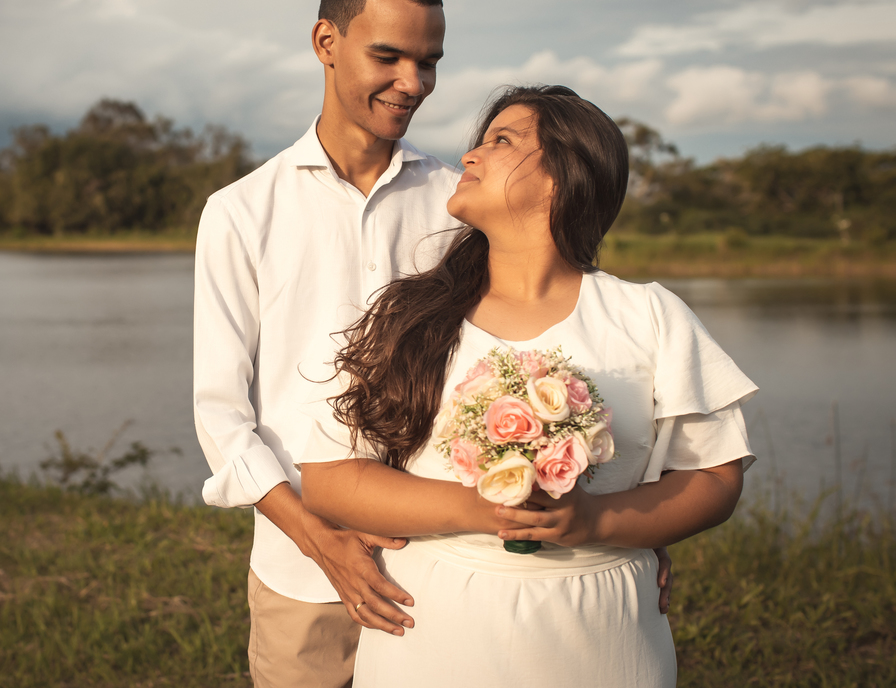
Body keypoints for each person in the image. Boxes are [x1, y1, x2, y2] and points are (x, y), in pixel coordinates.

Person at [300, 85, 757, 686]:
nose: (469, 156)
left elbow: (715, 477)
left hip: (601, 633)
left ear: (563, 180)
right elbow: (331, 478)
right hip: (431, 629)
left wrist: (595, 522)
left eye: (502, 140)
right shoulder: (410, 315)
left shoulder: (649, 315)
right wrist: (481, 509)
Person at [192, 0, 459, 686]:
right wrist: (319, 539)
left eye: (429, 62)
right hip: (298, 574)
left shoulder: (458, 205)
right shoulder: (241, 214)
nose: (413, 83)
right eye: (389, 56)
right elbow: (220, 414)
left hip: (438, 566)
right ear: (325, 43)